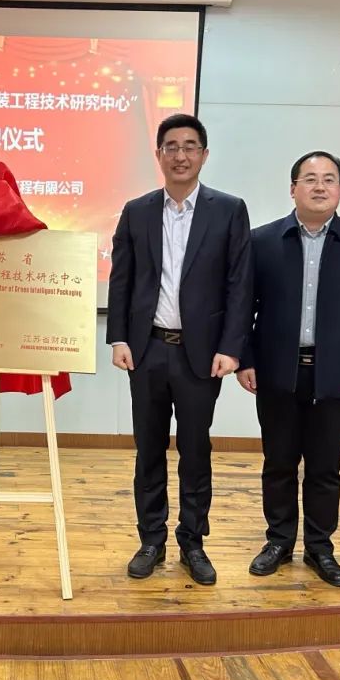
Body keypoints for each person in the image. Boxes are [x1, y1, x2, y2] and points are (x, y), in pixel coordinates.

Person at [106, 114, 253, 586]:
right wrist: (119, 337)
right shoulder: (138, 211)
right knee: (148, 449)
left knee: (195, 451)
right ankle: (151, 539)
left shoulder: (228, 210)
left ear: (204, 155)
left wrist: (232, 347)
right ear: (159, 155)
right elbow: (122, 279)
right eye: (171, 146)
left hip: (200, 355)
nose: (181, 155)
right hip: (147, 350)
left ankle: (193, 542)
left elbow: (240, 284)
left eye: (190, 146)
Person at [238, 151, 340, 587]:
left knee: (325, 468)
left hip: (335, 377)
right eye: (309, 179)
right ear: (293, 189)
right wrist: (245, 359)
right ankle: (279, 542)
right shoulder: (263, 241)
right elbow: (243, 307)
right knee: (279, 463)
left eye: (329, 179)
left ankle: (320, 548)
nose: (319, 186)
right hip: (277, 373)